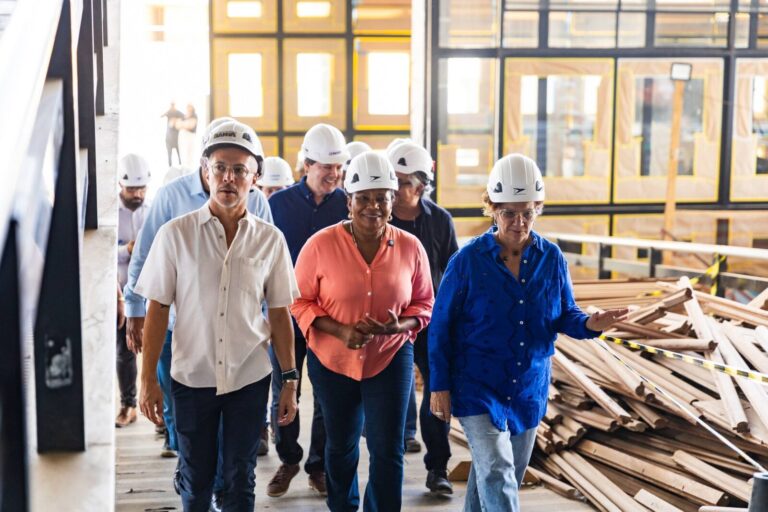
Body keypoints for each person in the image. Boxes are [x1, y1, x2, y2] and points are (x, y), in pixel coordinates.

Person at [428, 154, 628, 512]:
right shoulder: (468, 261)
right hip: (477, 386)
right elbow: (440, 326)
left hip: (528, 388)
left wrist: (589, 324)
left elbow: (565, 314)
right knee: (498, 471)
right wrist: (439, 387)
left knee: (500, 474)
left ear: (538, 208)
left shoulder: (551, 258)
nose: (519, 222)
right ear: (492, 208)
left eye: (528, 212)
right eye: (509, 212)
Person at [136, 120, 300, 511]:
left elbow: (280, 314)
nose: (228, 177)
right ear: (205, 172)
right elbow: (157, 309)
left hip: (249, 377)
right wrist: (146, 381)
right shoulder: (175, 235)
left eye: (239, 169)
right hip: (192, 379)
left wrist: (290, 380)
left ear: (255, 177)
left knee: (240, 480)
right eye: (220, 167)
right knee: (196, 480)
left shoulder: (270, 240)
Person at [292, 151, 434, 511]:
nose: (373, 206)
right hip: (333, 360)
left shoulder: (410, 247)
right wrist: (341, 331)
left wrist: (396, 325)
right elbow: (300, 302)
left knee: (388, 448)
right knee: (340, 445)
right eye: (364, 198)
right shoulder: (320, 245)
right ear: (349, 200)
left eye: (382, 198)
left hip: (390, 356)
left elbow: (424, 303)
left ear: (393, 201)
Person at [265, 123, 350, 498]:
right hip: (285, 313)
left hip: (326, 317)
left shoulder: (347, 204)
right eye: (326, 168)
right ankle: (288, 458)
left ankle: (317, 465)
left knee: (327, 392)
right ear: (306, 165)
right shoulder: (277, 205)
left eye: (338, 168)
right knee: (283, 386)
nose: (333, 175)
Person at [387, 141, 458, 493]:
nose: (395, 190)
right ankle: (392, 461)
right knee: (391, 395)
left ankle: (438, 468)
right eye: (392, 181)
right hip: (389, 323)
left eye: (402, 182)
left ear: (420, 185)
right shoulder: (379, 219)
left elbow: (455, 272)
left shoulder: (440, 221)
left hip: (431, 321)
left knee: (436, 394)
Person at [115, 153, 151, 428]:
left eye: (141, 189)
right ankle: (129, 405)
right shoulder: (108, 215)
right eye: (132, 189)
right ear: (120, 185)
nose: (137, 194)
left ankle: (161, 414)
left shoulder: (151, 212)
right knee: (124, 352)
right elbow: (96, 252)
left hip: (150, 295)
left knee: (157, 350)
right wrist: (127, 249)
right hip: (118, 295)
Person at [161, 102, 184, 166]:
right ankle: (170, 167)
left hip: (177, 139)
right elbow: (161, 116)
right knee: (169, 155)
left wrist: (176, 119)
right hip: (168, 138)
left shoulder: (178, 112)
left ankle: (180, 166)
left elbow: (184, 116)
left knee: (179, 155)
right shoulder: (169, 112)